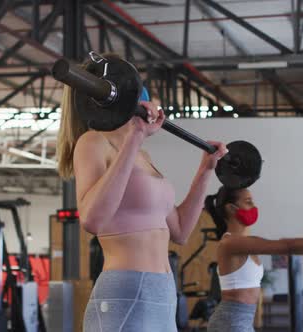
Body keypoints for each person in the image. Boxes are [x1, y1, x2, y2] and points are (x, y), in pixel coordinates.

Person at [56, 54, 227, 332]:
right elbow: (92, 220)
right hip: (125, 289)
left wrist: (206, 170)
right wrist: (135, 137)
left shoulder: (142, 154)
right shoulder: (93, 142)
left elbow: (181, 231)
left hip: (162, 293)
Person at [204, 187, 303, 332]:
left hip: (242, 320)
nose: (254, 207)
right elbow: (289, 246)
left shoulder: (246, 242)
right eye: (248, 202)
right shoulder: (231, 243)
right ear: (231, 208)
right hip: (230, 322)